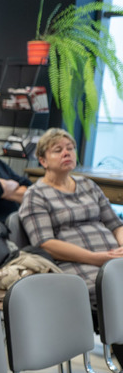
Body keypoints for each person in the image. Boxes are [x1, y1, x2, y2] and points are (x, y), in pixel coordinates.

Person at [20, 128, 123, 300]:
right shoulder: (35, 194)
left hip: (112, 258)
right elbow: (45, 243)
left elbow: (116, 225)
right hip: (76, 264)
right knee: (113, 289)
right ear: (43, 161)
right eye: (58, 150)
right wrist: (96, 258)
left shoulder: (88, 185)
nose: (66, 153)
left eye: (70, 148)